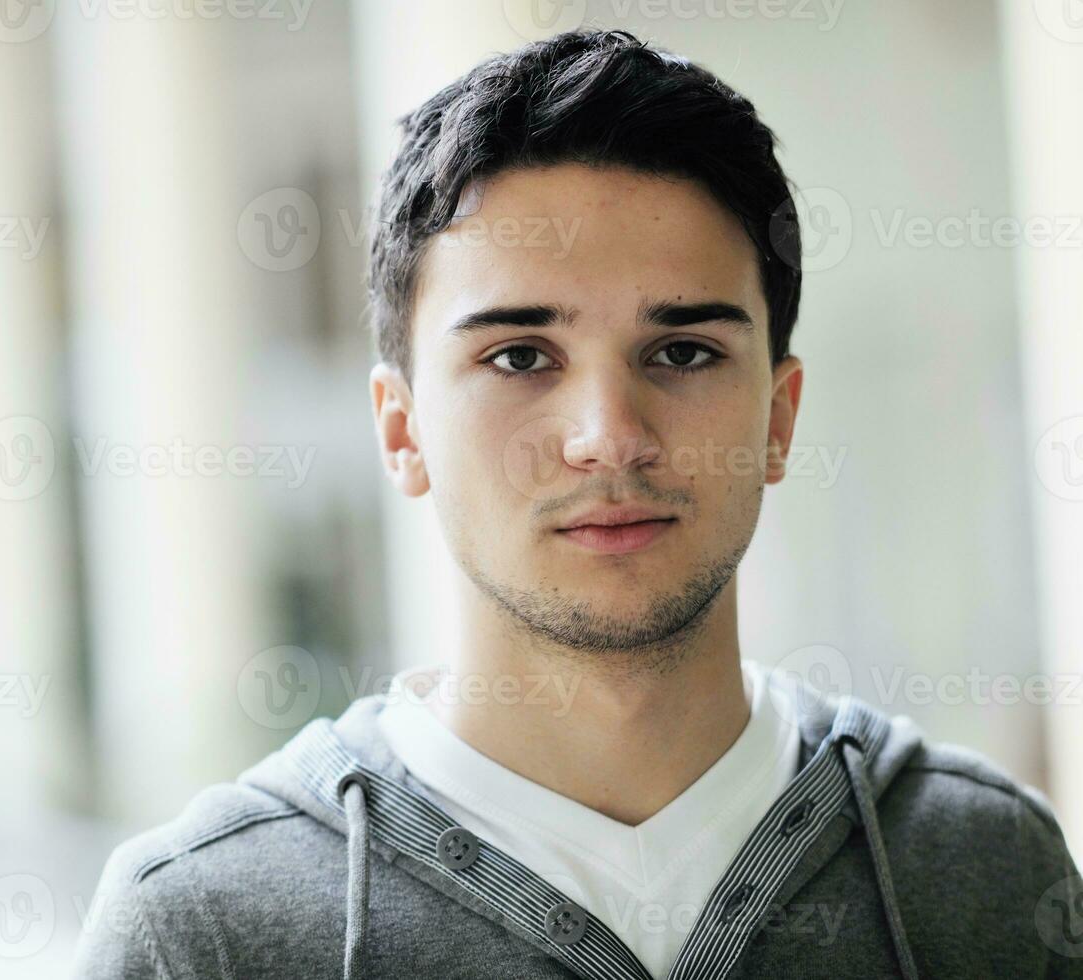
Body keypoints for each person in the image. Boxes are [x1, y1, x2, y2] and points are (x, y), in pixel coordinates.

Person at [72, 28, 1083, 979]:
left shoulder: (983, 870)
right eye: (519, 355)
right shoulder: (207, 928)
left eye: (683, 351)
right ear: (401, 428)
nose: (608, 431)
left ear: (778, 419)